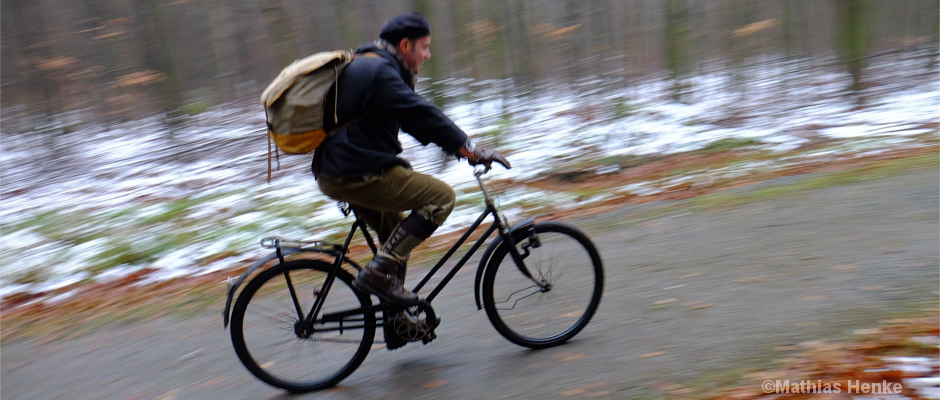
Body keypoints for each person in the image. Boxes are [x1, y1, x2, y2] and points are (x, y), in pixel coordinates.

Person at [313, 12, 510, 307]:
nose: (428, 55)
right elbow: (420, 112)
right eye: (425, 47)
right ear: (405, 45)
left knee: (397, 236)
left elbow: (410, 119)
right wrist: (470, 149)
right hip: (357, 171)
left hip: (340, 170)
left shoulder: (367, 64)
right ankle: (378, 274)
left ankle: (397, 320)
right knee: (441, 197)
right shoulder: (379, 72)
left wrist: (456, 149)